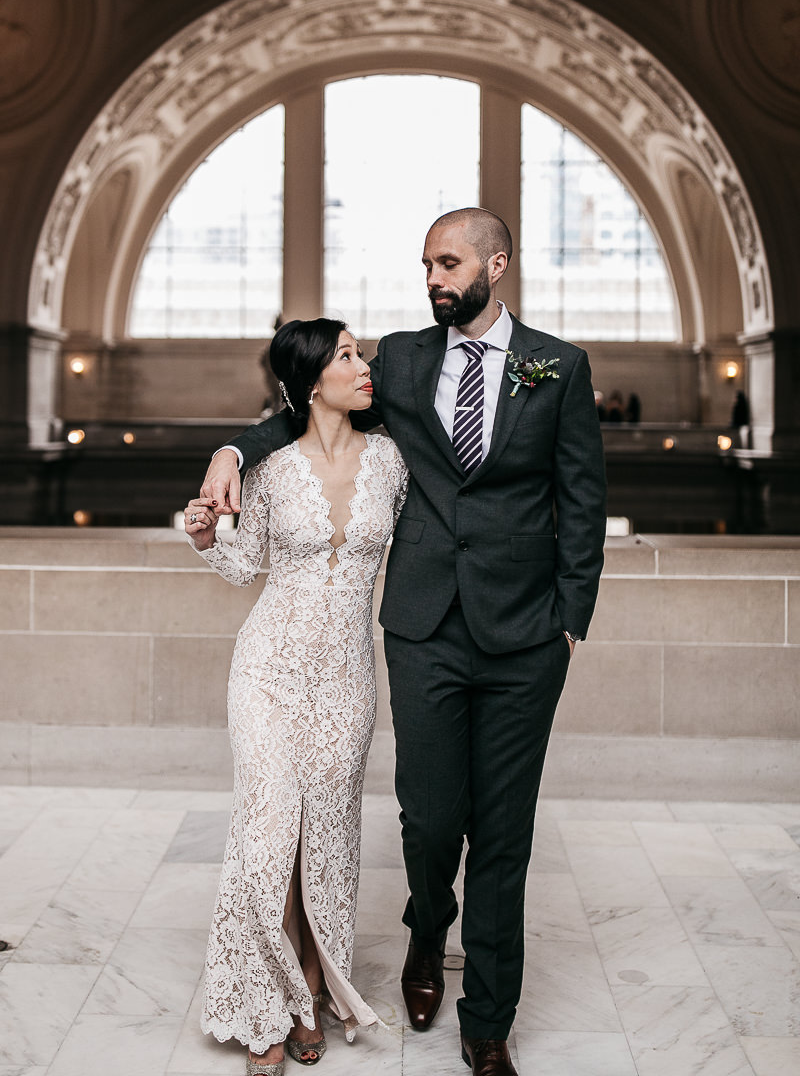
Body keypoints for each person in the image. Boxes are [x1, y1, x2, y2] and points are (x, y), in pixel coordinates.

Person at [200, 208, 607, 1076]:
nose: (434, 278)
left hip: (526, 634)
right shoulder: (406, 358)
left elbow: (583, 498)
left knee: (505, 832)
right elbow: (308, 404)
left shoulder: (558, 367)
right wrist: (234, 449)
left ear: (496, 264)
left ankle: (487, 1022)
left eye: (449, 262)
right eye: (426, 263)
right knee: (427, 822)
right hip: (423, 628)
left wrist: (572, 620)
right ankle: (428, 930)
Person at [185, 318, 408, 1075]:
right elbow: (243, 566)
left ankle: (311, 987)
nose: (364, 363)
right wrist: (206, 535)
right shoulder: (272, 468)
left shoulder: (392, 462)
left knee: (331, 837)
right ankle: (263, 1008)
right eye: (348, 355)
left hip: (348, 675)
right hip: (270, 670)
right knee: (268, 836)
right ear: (313, 380)